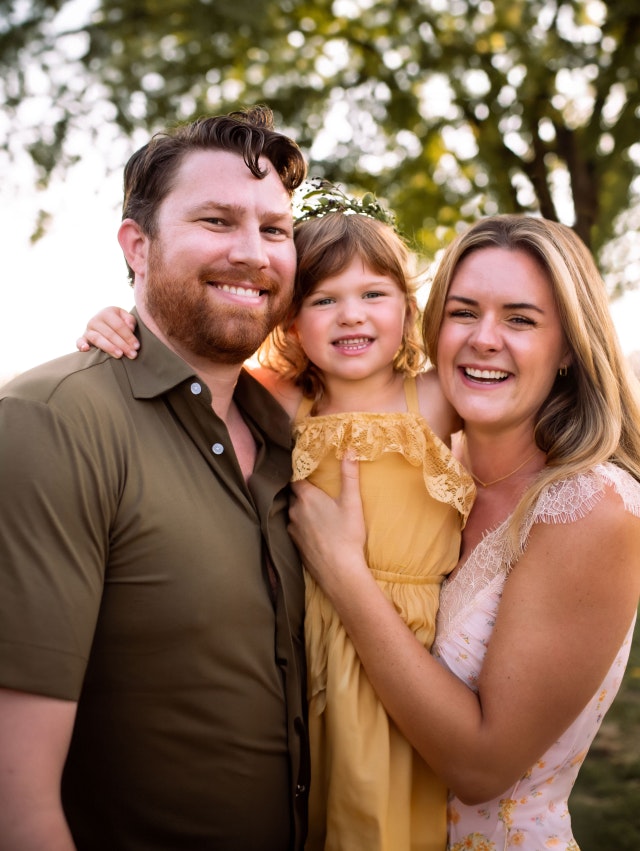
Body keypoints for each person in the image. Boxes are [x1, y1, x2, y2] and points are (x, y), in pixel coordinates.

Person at [76, 192, 476, 851]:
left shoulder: (436, 395)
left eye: (374, 294)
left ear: (408, 306)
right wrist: (118, 323)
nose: (351, 315)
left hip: (406, 651)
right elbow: (183, 363)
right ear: (289, 320)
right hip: (306, 645)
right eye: (323, 300)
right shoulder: (284, 398)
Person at [0, 107, 311, 851]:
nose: (253, 253)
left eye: (274, 229)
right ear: (137, 246)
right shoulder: (52, 422)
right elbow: (16, 800)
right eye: (216, 220)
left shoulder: (299, 442)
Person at [286, 214, 640, 850]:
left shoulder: (591, 506)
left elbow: (480, 768)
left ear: (568, 346)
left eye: (521, 319)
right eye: (464, 312)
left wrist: (342, 572)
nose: (484, 339)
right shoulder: (438, 470)